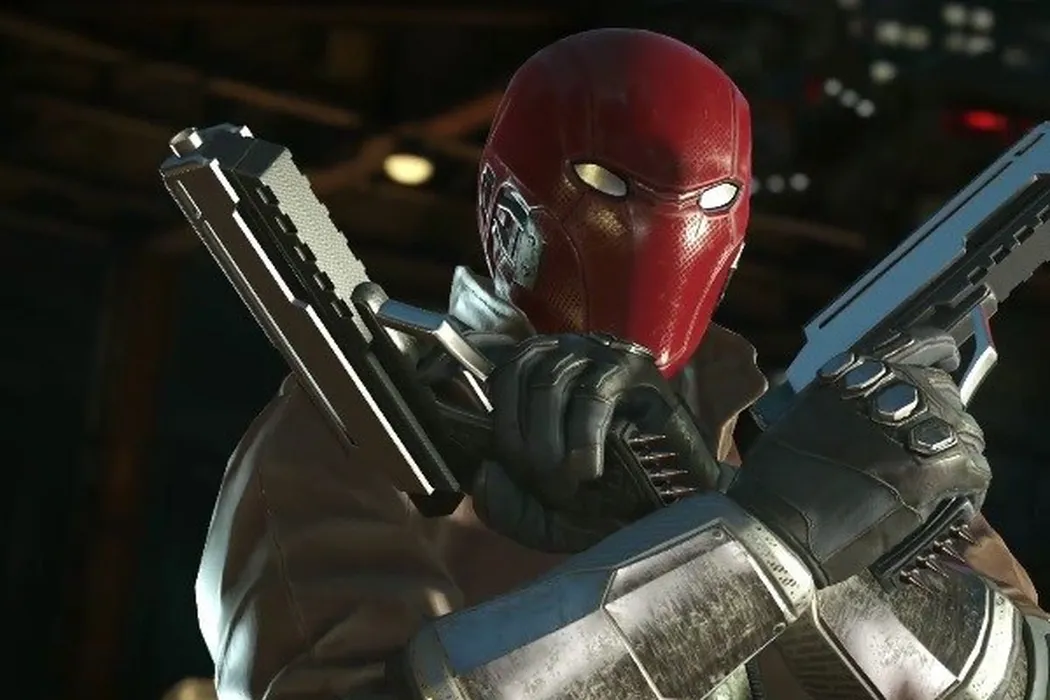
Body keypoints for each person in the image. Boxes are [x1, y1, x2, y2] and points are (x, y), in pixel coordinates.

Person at [194, 29, 1044, 699]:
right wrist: (758, 547)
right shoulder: (357, 430)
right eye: (609, 183)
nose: (665, 229)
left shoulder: (801, 442)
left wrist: (756, 519)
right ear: (504, 207)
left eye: (714, 199)